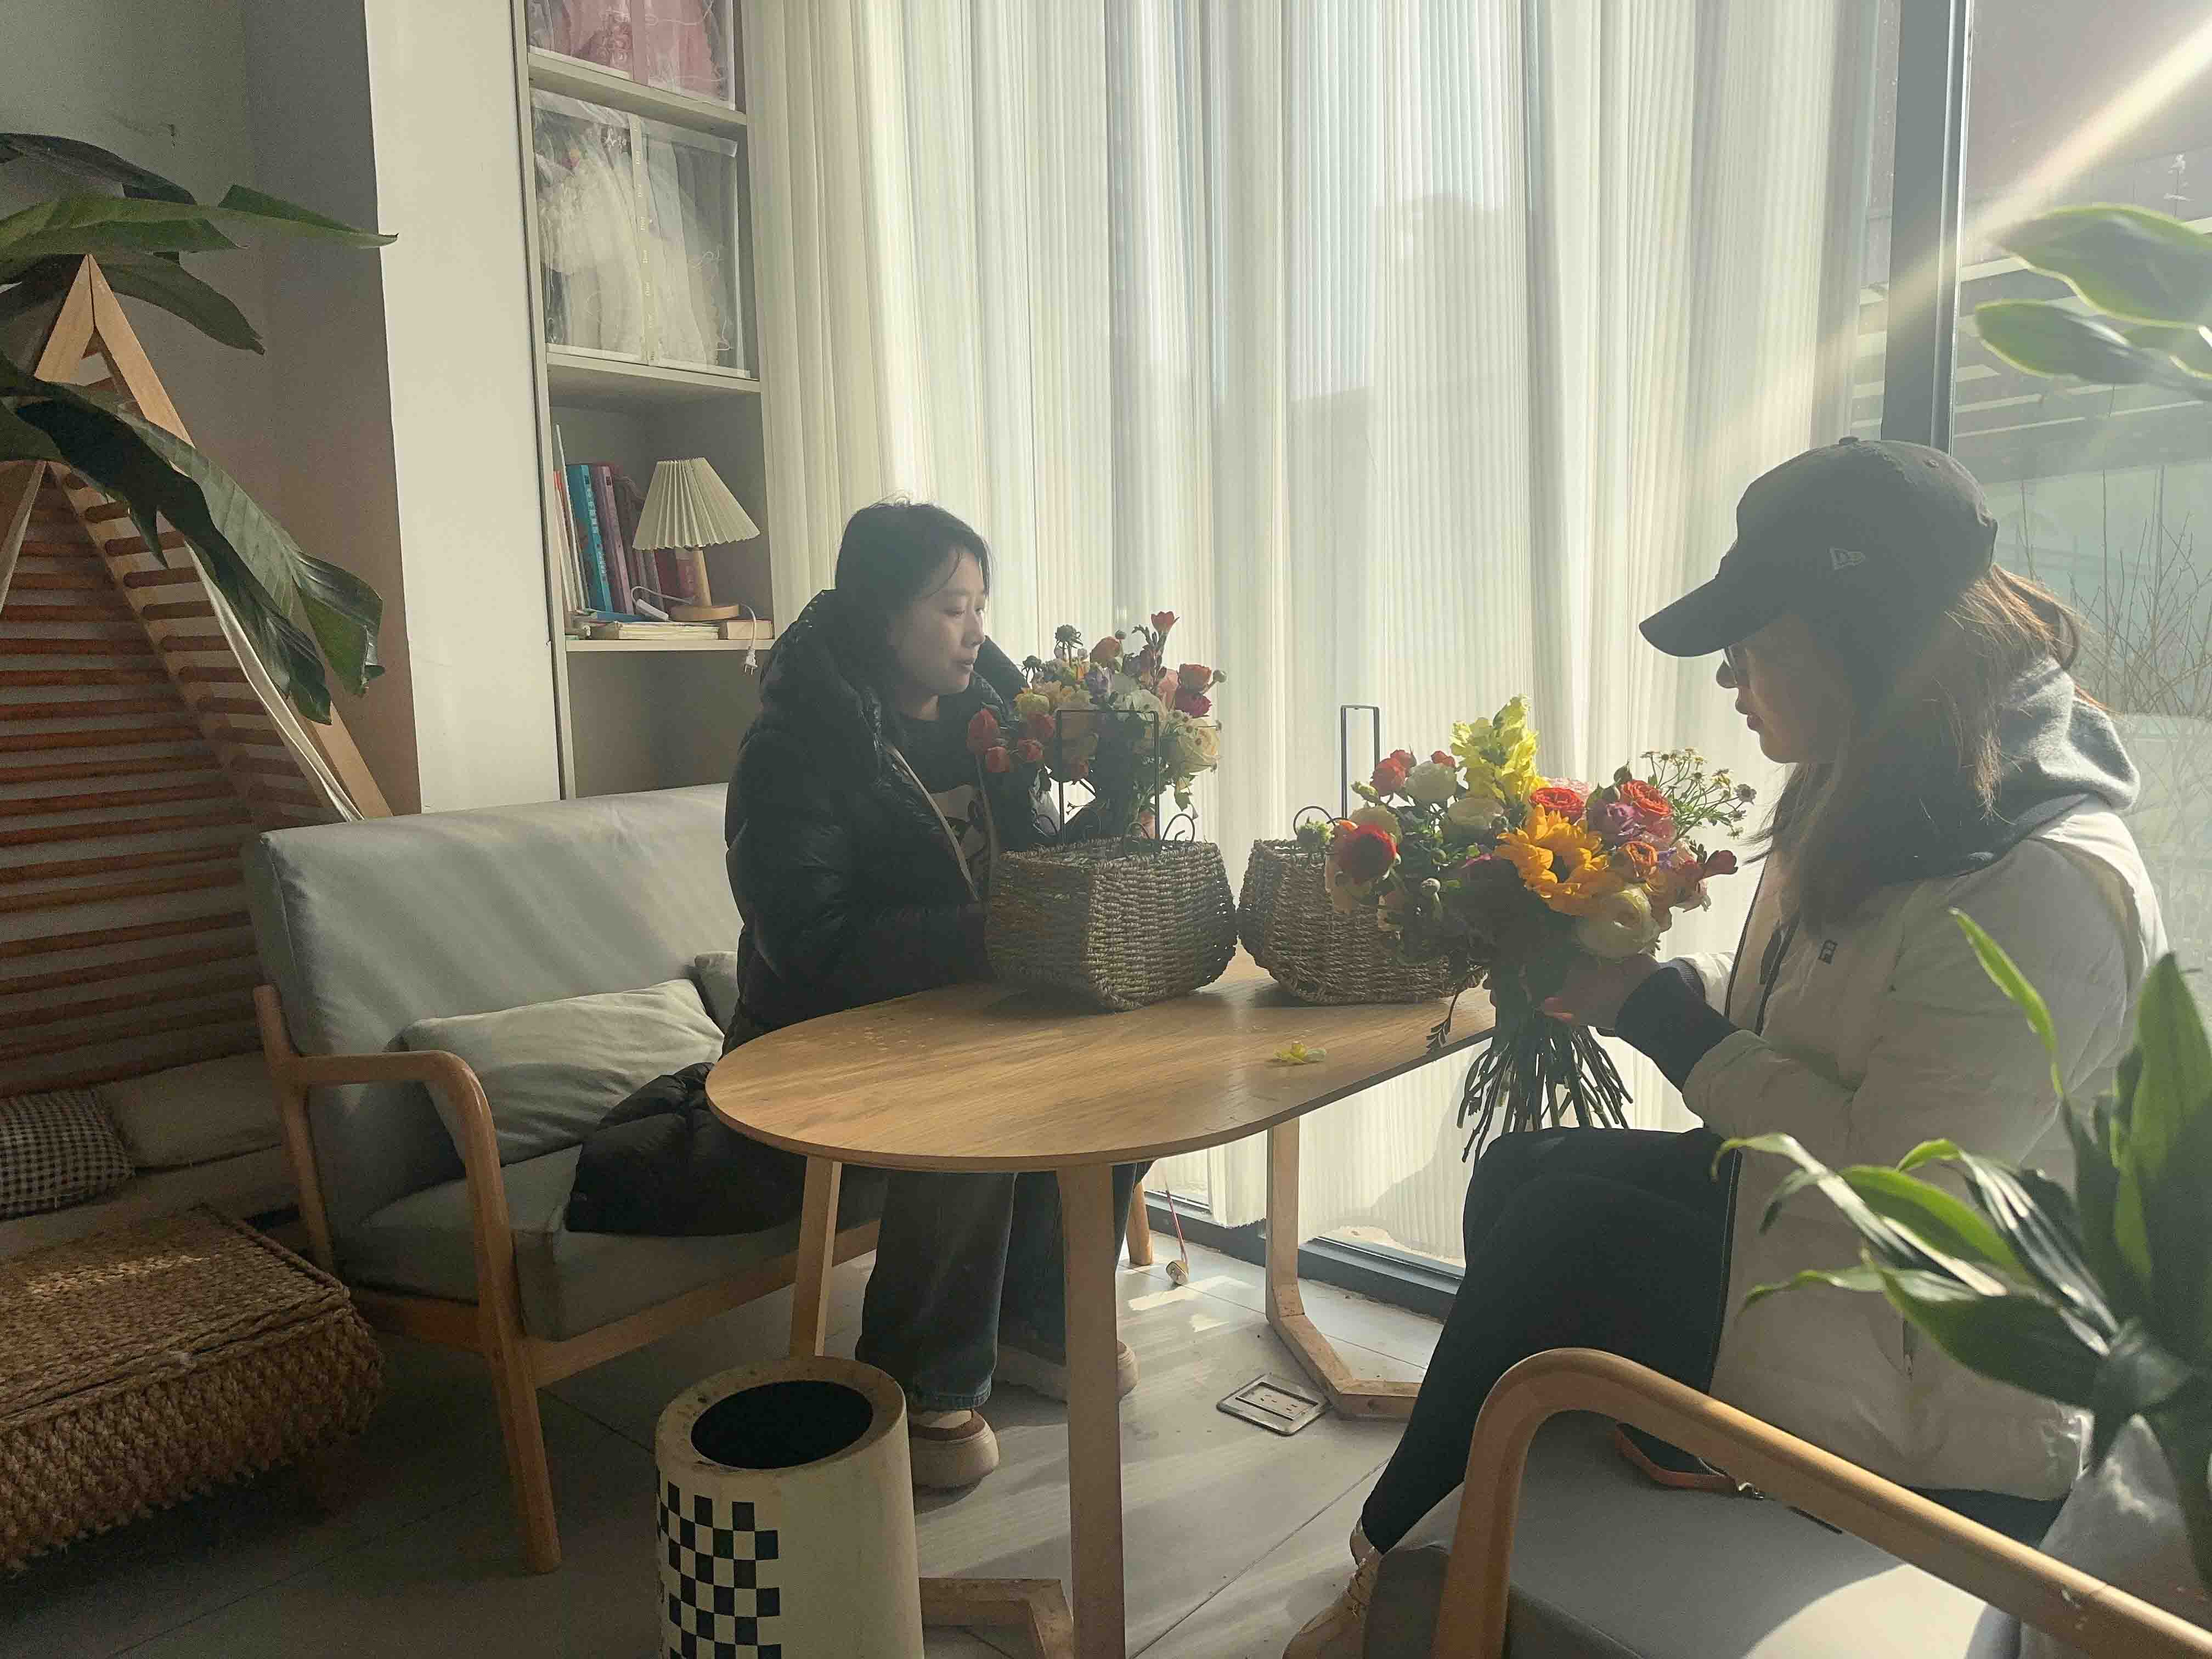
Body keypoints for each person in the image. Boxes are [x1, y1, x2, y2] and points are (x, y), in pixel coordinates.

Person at [1285, 438, 2166, 1656]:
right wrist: (1640, 982)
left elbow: (1901, 1185)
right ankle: (1495, 1511)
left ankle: (1396, 1569)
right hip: (1823, 1260)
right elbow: (1813, 1014)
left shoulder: (2041, 881)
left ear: (1848, 635)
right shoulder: (1893, 789)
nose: (1729, 679)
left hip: (1928, 1366)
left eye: (1750, 645)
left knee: (1563, 1233)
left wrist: (1659, 1016)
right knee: (1525, 1170)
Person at [721, 500, 1144, 1490]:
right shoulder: (796, 749)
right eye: (953, 608)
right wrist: (991, 932)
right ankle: (921, 1377)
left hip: (964, 1009)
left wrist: (1122, 798)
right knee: (974, 1102)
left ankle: (1035, 1317)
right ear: (882, 615)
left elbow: (1028, 868)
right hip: (825, 1039)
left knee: (1131, 1057)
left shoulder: (992, 726)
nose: (976, 629)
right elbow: (810, 946)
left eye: (981, 605)